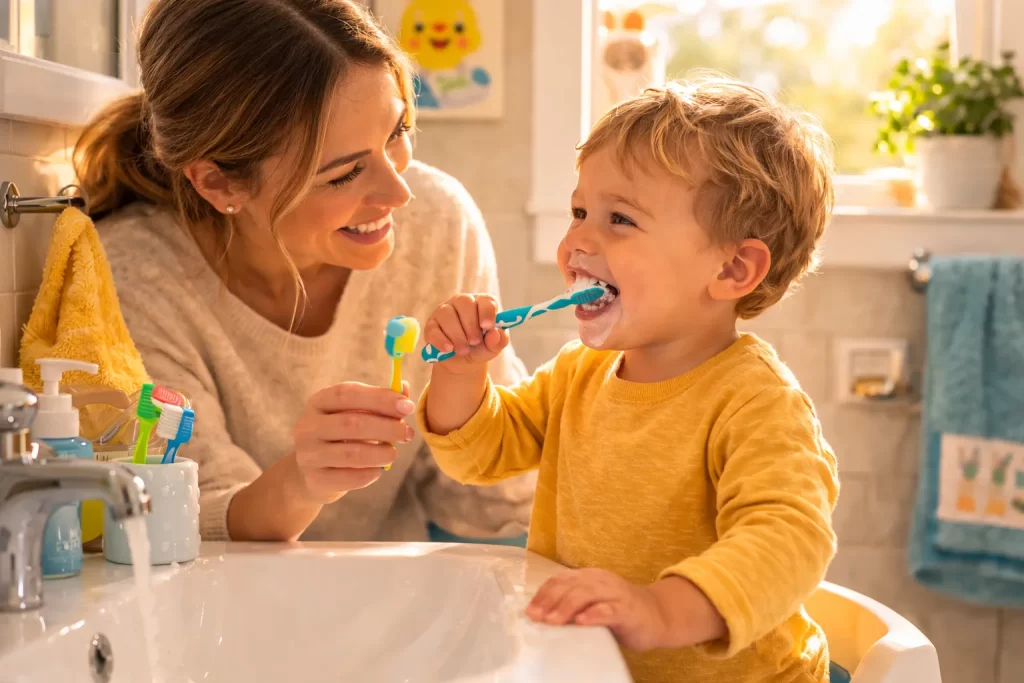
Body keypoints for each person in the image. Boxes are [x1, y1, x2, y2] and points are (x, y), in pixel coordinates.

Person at [417, 78, 840, 683]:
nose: (577, 242)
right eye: (579, 212)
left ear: (733, 267)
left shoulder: (756, 403)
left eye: (620, 219)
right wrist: (461, 373)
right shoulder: (579, 373)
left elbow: (789, 540)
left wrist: (660, 609)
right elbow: (480, 456)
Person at [74, 0, 533, 543]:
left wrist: (473, 408)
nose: (398, 192)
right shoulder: (133, 278)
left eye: (397, 132)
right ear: (219, 183)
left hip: (399, 611)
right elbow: (180, 520)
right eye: (343, 175)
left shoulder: (438, 221)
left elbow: (493, 508)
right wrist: (301, 481)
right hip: (220, 617)